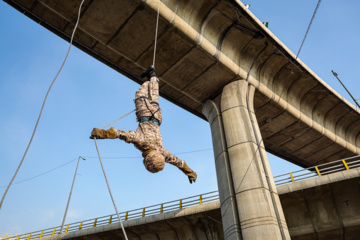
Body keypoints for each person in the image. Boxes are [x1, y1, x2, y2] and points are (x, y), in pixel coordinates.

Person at [90, 66, 197, 183]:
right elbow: (122, 135)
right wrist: (102, 134)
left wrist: (189, 172)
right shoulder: (143, 143)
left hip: (157, 116)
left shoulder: (162, 152)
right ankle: (150, 78)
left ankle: (153, 77)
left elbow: (178, 162)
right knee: (140, 94)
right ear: (147, 160)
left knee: (153, 97)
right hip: (145, 114)